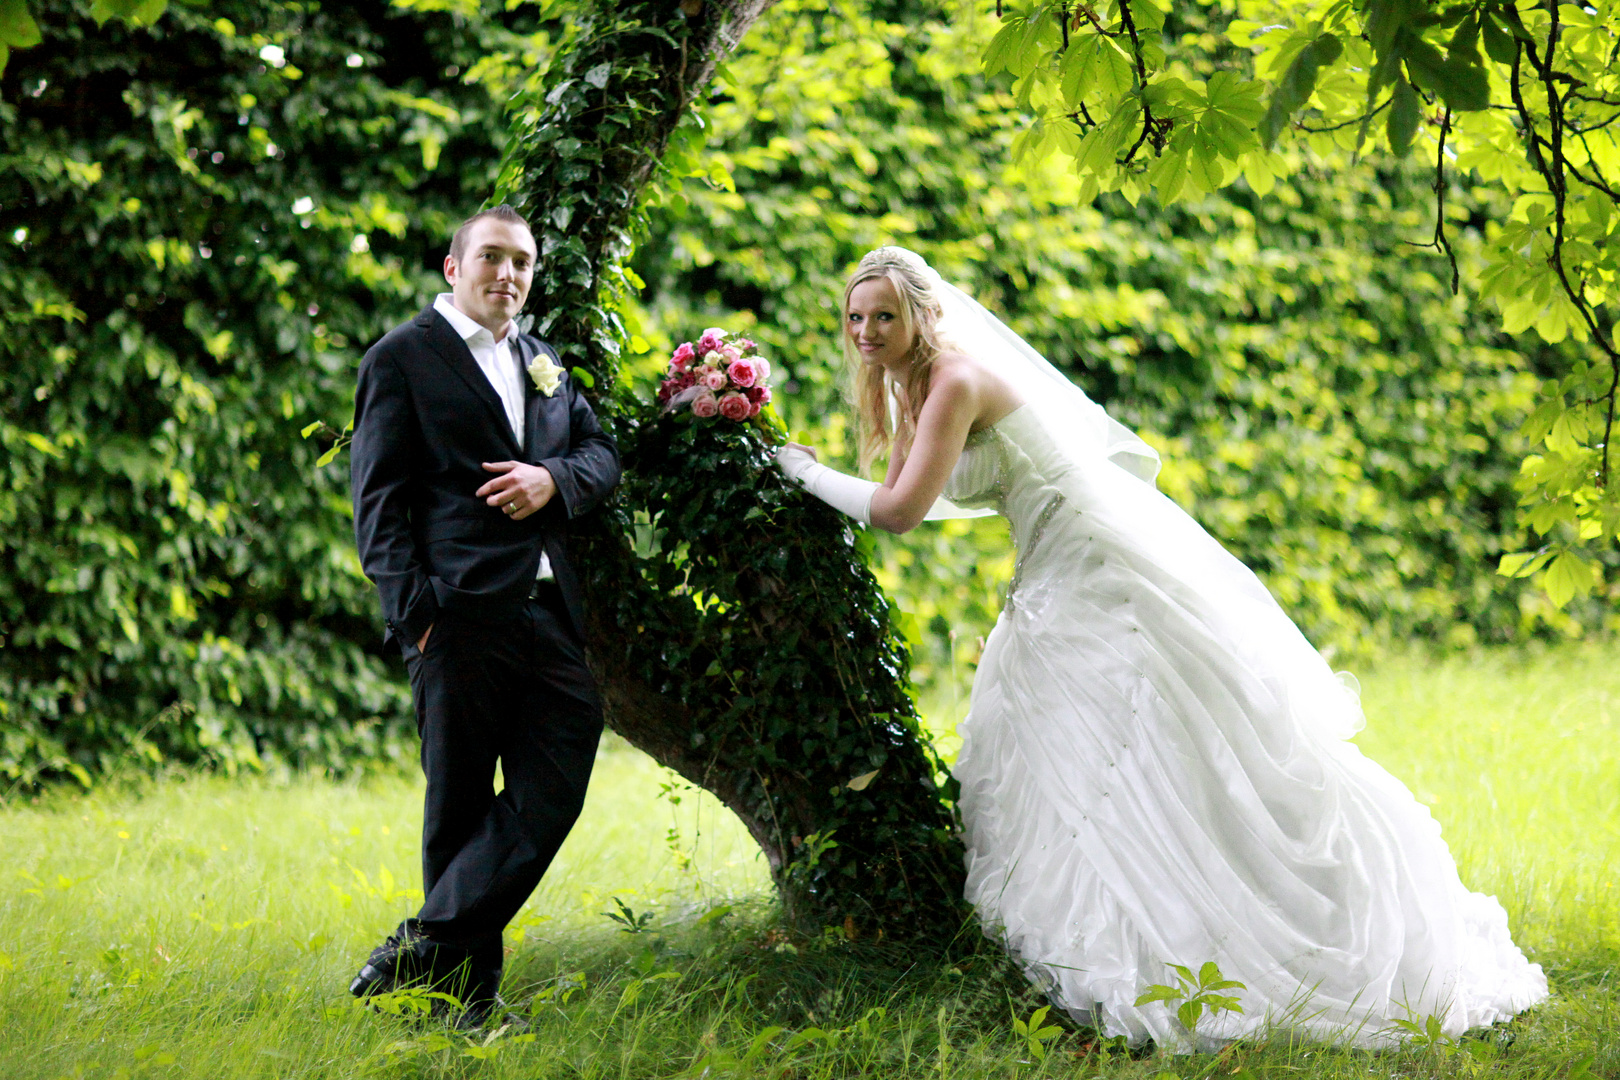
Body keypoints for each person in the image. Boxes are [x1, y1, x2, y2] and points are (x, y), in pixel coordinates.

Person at [774, 246, 1547, 1048]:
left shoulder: (958, 380)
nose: (867, 331)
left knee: (1140, 734)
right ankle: (1092, 925)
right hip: (1047, 570)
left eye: (884, 316)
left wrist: (800, 471)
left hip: (1099, 569)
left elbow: (898, 512)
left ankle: (1205, 929)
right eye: (856, 318)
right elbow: (913, 495)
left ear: (921, 317)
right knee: (1055, 734)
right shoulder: (910, 384)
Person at [347, 205, 620, 1026]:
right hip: (455, 618)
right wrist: (416, 616)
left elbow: (600, 455)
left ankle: (421, 942)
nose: (509, 275)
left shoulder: (541, 359)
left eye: (523, 263)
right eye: (492, 258)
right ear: (452, 267)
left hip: (546, 613)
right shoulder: (400, 359)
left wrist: (552, 480)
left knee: (555, 783)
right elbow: (378, 503)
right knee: (459, 806)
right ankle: (463, 1007)